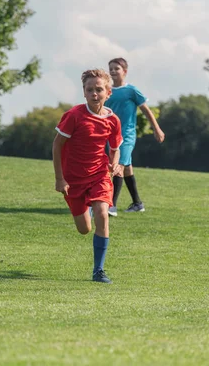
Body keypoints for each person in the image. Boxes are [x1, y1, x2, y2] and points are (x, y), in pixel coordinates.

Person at [53, 69, 123, 284]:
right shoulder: (74, 116)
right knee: (84, 229)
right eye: (89, 89)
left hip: (100, 175)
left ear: (108, 92)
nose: (94, 93)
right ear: (83, 93)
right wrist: (59, 179)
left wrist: (115, 162)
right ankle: (87, 208)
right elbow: (57, 145)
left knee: (102, 213)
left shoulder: (113, 120)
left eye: (99, 89)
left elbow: (115, 147)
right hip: (73, 179)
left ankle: (98, 271)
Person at [105, 58, 165, 216]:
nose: (112, 71)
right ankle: (137, 203)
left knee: (118, 166)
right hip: (110, 136)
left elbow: (146, 110)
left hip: (127, 135)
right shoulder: (107, 91)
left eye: (116, 68)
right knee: (126, 168)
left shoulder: (131, 91)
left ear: (124, 71)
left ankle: (111, 206)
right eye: (110, 68)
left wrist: (156, 128)